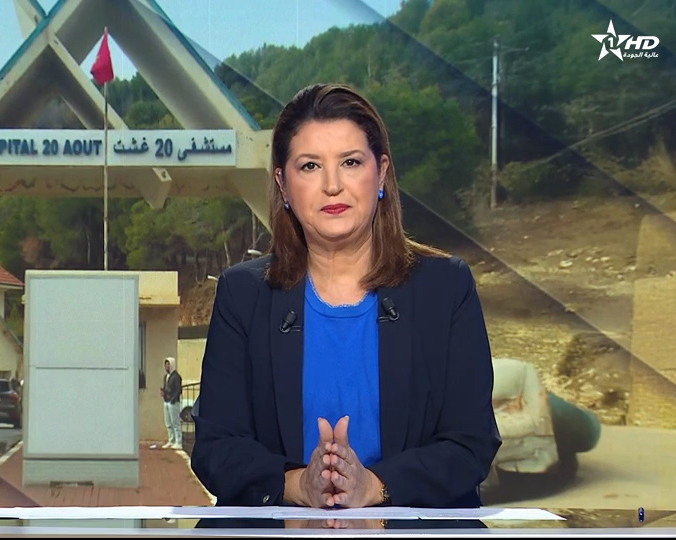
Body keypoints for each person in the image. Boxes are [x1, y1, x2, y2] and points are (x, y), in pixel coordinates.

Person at [190, 82, 501, 509]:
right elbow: (217, 447)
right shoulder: (243, 295)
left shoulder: (445, 289)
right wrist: (298, 485)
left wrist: (373, 485)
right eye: (310, 166)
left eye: (350, 162)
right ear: (283, 184)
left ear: (381, 173)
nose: (332, 185)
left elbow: (470, 444)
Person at [160, 357, 183, 449]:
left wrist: (173, 399)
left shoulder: (176, 377)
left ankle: (178, 442)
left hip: (173, 402)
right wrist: (163, 392)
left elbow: (178, 390)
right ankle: (171, 440)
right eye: (166, 365)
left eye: (168, 365)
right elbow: (166, 387)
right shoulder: (166, 376)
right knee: (168, 422)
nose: (167, 367)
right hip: (166, 401)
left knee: (175, 422)